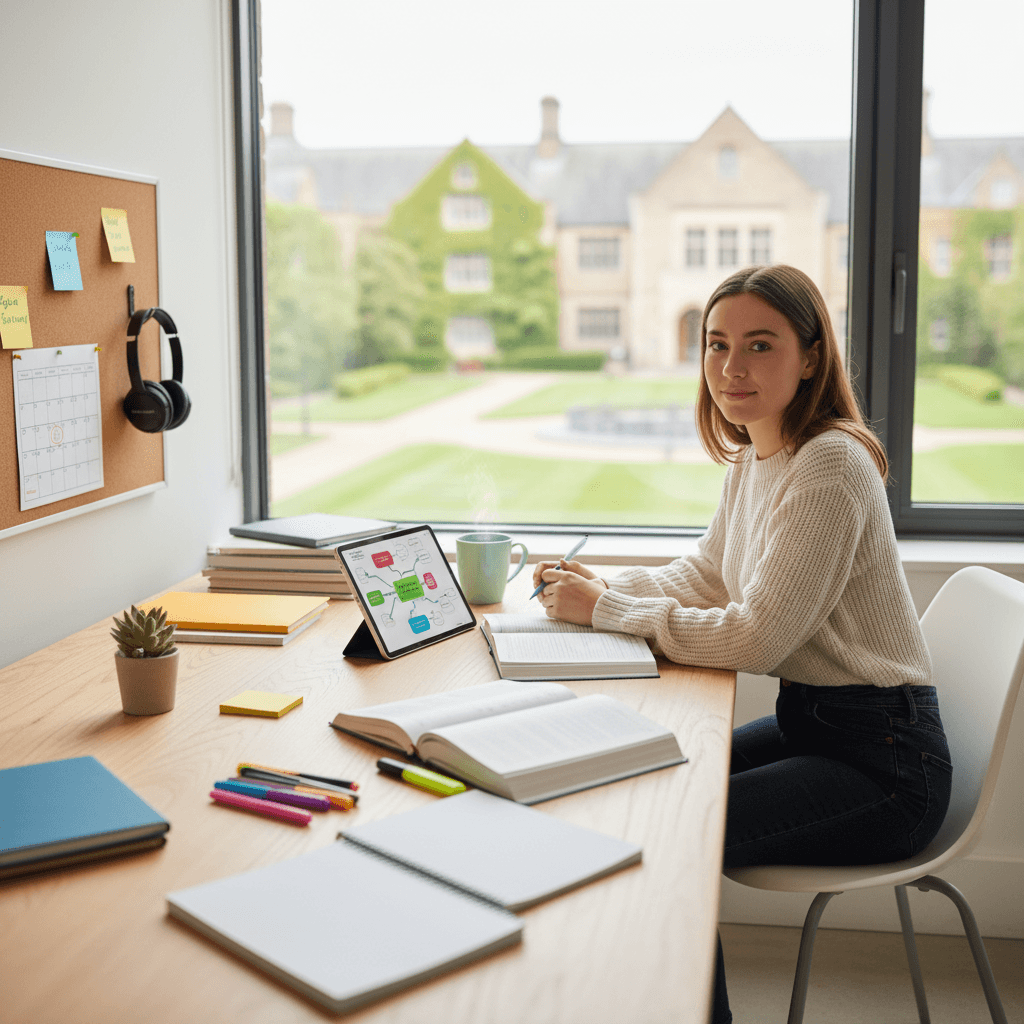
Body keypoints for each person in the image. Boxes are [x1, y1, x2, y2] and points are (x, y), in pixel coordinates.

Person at [532, 265, 952, 1024]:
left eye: (760, 345)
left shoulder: (830, 462)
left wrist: (608, 611)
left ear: (812, 355)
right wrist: (603, 587)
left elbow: (758, 634)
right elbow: (707, 573)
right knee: (646, 791)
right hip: (819, 731)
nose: (731, 367)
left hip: (887, 764)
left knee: (672, 833)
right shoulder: (759, 455)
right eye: (716, 344)